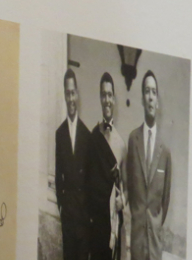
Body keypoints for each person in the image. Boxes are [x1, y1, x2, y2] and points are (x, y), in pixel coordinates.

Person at [125, 71, 172, 260]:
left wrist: (154, 224)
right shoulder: (133, 140)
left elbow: (165, 202)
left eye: (154, 92)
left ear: (157, 101)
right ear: (142, 100)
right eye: (147, 91)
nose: (150, 97)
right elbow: (130, 188)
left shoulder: (165, 151)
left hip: (155, 246)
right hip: (137, 242)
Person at [87, 73, 129, 260]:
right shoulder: (93, 137)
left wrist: (123, 201)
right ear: (100, 98)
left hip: (111, 223)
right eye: (103, 95)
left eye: (109, 95)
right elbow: (87, 181)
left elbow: (127, 188)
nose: (107, 100)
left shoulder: (121, 144)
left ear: (114, 99)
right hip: (94, 223)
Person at [56, 68, 91, 260]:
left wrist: (87, 213)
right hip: (68, 217)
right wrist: (62, 206)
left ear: (77, 94)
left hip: (83, 218)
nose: (70, 98)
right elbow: (58, 175)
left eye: (73, 93)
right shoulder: (59, 134)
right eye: (67, 94)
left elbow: (90, 179)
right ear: (64, 95)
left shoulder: (86, 135)